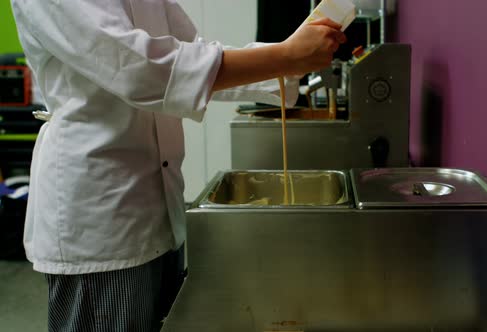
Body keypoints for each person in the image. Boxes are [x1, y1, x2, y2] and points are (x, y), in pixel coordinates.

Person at [10, 0, 347, 331]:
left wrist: (288, 64)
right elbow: (142, 70)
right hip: (101, 216)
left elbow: (191, 53)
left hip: (160, 207)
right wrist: (285, 57)